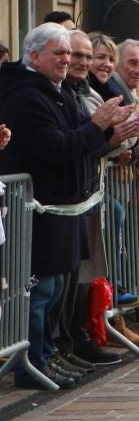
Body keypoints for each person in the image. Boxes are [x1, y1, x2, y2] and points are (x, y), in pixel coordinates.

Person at [0, 23, 132, 389]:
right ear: (34, 55)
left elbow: (84, 140)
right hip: (38, 210)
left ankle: (49, 357)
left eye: (69, 54)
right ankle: (33, 365)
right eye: (58, 53)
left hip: (63, 208)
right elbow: (57, 148)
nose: (66, 60)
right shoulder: (26, 97)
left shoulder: (55, 91)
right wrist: (98, 126)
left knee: (58, 289)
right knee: (40, 292)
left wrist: (111, 130)